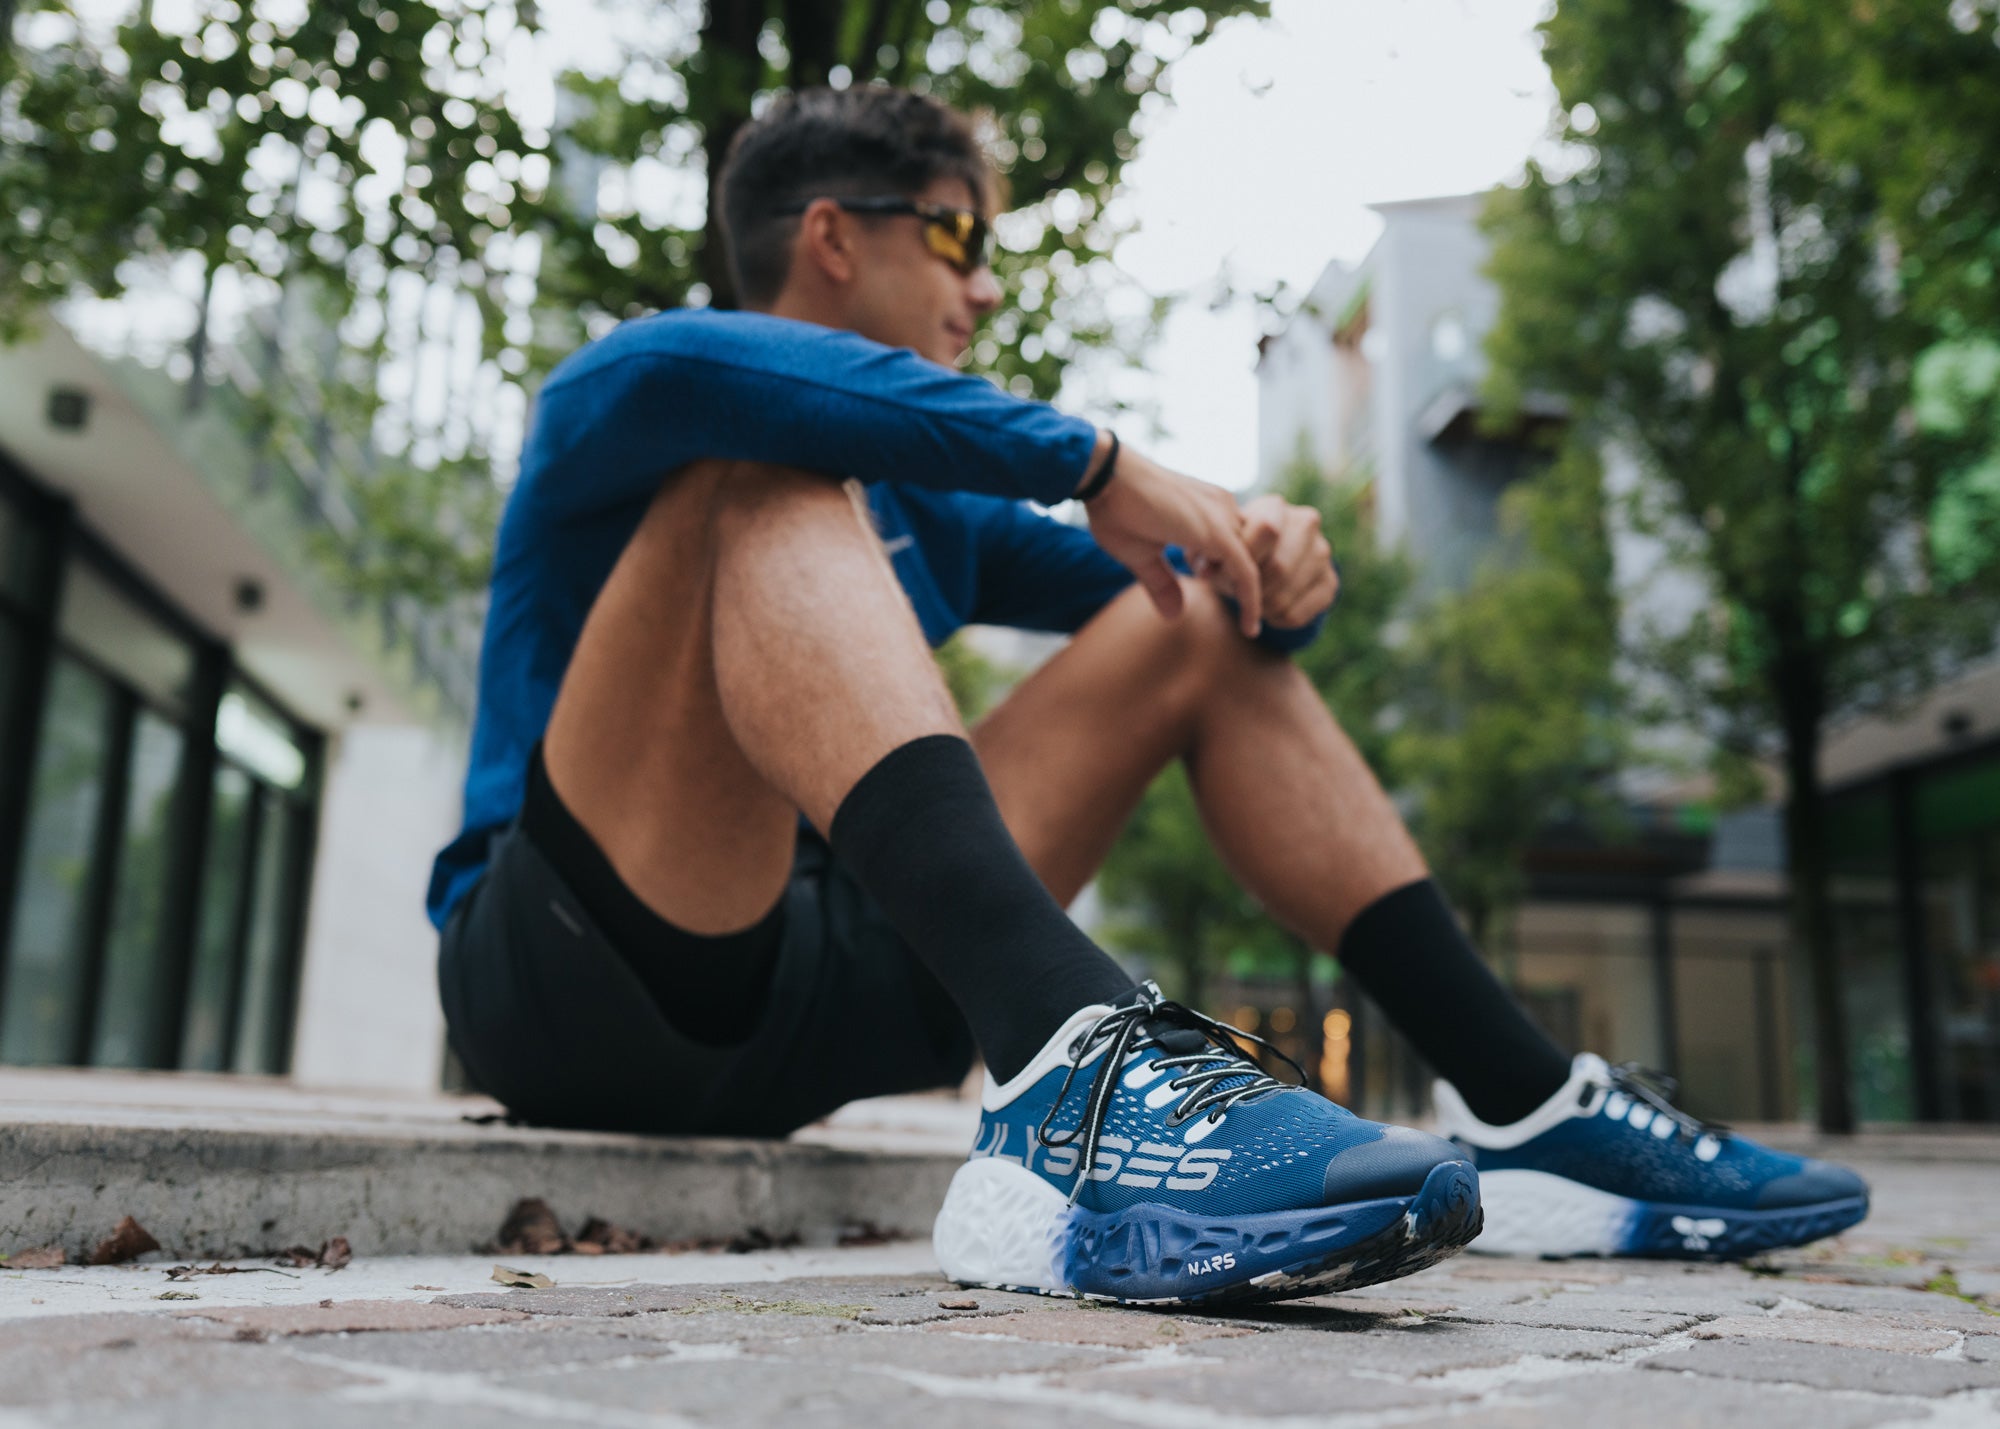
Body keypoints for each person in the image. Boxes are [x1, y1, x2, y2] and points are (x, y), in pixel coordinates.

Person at [429, 86, 1866, 1299]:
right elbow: (704, 374)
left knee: (1174, 623)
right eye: (957, 236)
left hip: (833, 990)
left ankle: (1527, 1105)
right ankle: (1069, 1071)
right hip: (572, 978)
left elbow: (1191, 621)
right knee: (758, 466)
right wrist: (1100, 462)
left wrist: (1264, 565)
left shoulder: (930, 515)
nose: (985, 284)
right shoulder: (634, 396)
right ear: (829, 238)